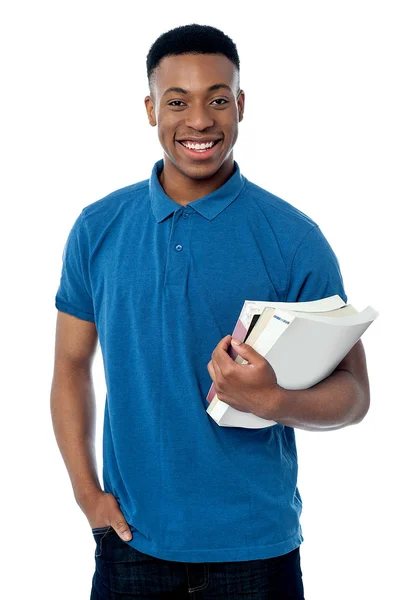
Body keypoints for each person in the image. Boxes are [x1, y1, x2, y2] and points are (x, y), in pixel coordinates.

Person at [50, 23, 370, 600]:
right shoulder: (98, 229)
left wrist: (272, 401)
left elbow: (354, 396)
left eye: (218, 99)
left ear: (241, 105)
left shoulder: (293, 239)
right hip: (130, 543)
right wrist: (86, 494)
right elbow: (71, 366)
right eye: (177, 102)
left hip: (256, 551)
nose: (199, 120)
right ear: (151, 110)